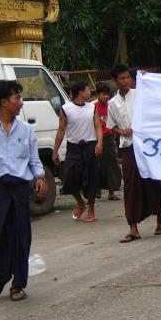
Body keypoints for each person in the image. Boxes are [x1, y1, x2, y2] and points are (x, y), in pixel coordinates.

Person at [0, 80, 49, 301]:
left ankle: (18, 285)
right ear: (4, 102)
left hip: (20, 188)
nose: (21, 103)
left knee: (20, 237)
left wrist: (39, 177)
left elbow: (33, 159)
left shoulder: (26, 130)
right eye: (17, 98)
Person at [108, 64, 161, 242]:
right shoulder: (113, 103)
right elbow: (112, 126)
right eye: (122, 78)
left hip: (146, 147)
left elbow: (157, 100)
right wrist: (122, 131)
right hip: (128, 147)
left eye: (128, 77)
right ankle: (133, 228)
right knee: (131, 187)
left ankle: (160, 220)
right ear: (115, 81)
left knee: (151, 182)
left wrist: (146, 78)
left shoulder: (140, 94)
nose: (126, 81)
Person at [53, 81, 103, 223]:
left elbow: (98, 126)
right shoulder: (65, 109)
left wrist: (99, 143)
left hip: (90, 145)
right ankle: (80, 202)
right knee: (69, 176)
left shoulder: (92, 108)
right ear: (80, 92)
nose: (90, 92)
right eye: (88, 89)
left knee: (91, 178)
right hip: (73, 147)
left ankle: (91, 209)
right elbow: (61, 130)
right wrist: (55, 150)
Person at [94, 83, 122, 201]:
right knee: (97, 165)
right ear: (98, 95)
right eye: (103, 94)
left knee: (112, 164)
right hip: (96, 139)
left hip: (109, 138)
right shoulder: (92, 107)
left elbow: (116, 121)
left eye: (108, 95)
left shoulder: (111, 106)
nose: (106, 97)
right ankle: (97, 190)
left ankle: (112, 192)